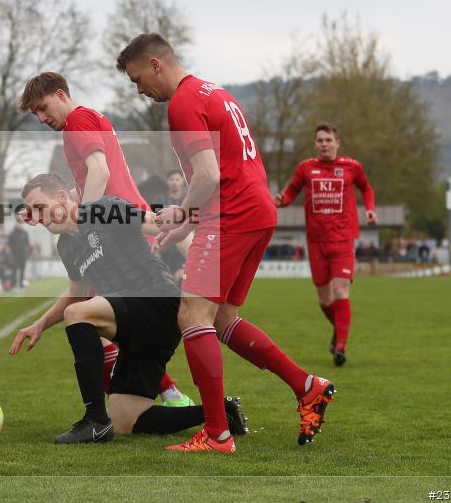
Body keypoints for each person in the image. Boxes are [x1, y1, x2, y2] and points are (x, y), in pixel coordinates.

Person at [117, 33, 334, 452]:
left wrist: (179, 212)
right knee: (221, 320)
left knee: (191, 315)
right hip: (255, 212)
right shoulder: (213, 92)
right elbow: (228, 167)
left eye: (137, 78)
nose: (139, 90)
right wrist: (185, 226)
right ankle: (307, 386)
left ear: (156, 65)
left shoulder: (182, 102)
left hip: (232, 215)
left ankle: (216, 433)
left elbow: (210, 175)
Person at [10, 174, 248, 443]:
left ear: (62, 197)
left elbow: (157, 224)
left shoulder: (103, 209)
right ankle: (220, 413)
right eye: (32, 212)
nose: (38, 217)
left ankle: (95, 421)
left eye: (40, 207)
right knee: (126, 418)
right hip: (133, 326)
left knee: (78, 315)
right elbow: (75, 294)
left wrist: (189, 224)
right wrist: (39, 325)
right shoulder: (66, 246)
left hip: (156, 301)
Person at [20, 71, 193, 408]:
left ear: (60, 94)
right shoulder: (90, 117)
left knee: (93, 323)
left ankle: (121, 408)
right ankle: (148, 397)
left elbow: (100, 172)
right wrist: (53, 205)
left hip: (117, 234)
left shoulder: (77, 122)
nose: (42, 119)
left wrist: (86, 221)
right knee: (103, 325)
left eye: (43, 108)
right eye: (36, 115)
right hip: (124, 225)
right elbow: (88, 182)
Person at [274, 123, 377, 366]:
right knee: (324, 299)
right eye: (319, 140)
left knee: (341, 291)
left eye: (328, 140)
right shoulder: (306, 168)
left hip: (342, 238)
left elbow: (366, 188)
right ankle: (339, 330)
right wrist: (282, 200)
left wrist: (370, 210)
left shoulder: (351, 167)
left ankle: (340, 347)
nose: (324, 144)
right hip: (316, 241)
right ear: (315, 144)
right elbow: (291, 193)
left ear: (337, 143)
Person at [7, 217, 32, 288]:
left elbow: (27, 244)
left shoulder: (25, 233)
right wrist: (10, 254)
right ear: (16, 223)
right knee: (14, 270)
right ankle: (13, 284)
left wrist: (27, 252)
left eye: (21, 223)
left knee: (22, 269)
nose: (20, 225)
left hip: (23, 255)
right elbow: (9, 245)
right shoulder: (12, 233)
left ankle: (21, 283)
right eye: (18, 223)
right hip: (14, 255)